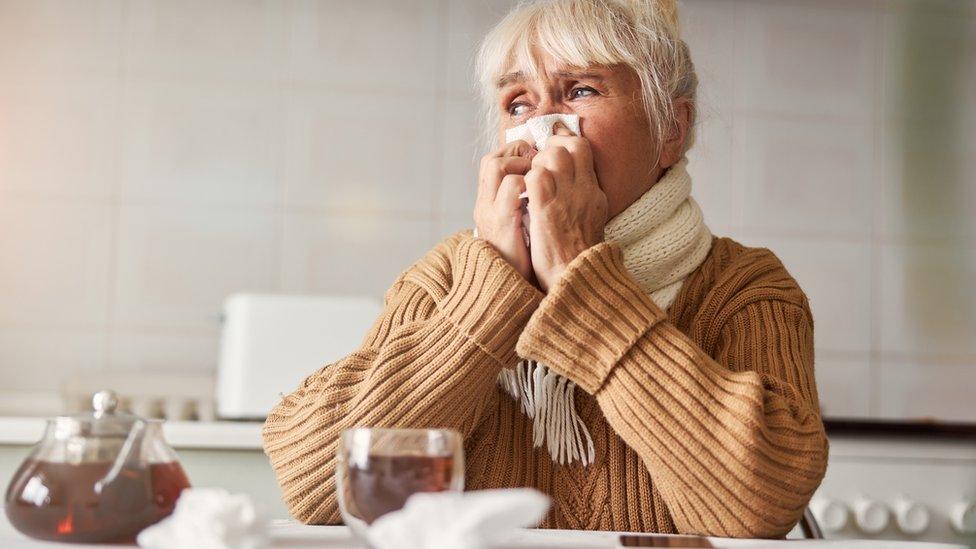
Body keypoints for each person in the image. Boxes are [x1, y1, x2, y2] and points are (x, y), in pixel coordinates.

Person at [262, 0, 827, 538]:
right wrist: (492, 294)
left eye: (580, 91)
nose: (545, 130)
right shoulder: (446, 278)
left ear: (670, 130)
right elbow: (316, 485)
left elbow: (761, 508)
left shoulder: (745, 287)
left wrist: (583, 282)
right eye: (518, 104)